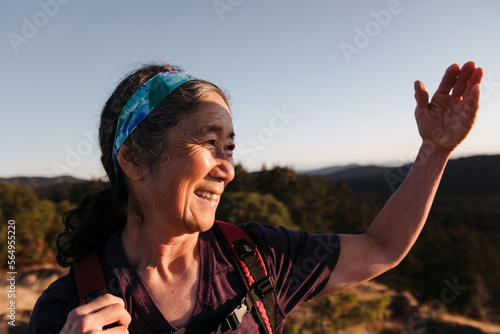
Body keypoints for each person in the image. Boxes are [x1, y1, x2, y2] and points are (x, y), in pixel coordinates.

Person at [27, 61, 483, 333]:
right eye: (209, 142)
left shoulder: (256, 259)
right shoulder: (68, 309)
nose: (226, 169)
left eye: (230, 147)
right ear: (134, 160)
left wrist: (434, 151)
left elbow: (380, 248)